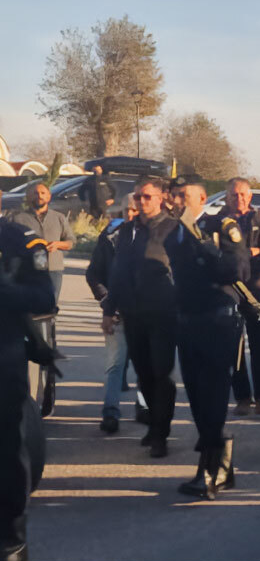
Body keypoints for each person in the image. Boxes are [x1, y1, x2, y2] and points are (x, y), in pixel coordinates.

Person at [164, 176, 249, 499]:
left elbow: (238, 271)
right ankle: (223, 462)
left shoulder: (222, 226)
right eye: (174, 196)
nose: (177, 201)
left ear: (201, 198)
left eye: (184, 195)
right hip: (187, 322)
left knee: (213, 398)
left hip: (217, 323)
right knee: (197, 398)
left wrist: (207, 250)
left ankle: (210, 471)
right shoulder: (175, 231)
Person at [101, 177, 179, 458]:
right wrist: (109, 311)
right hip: (134, 314)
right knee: (144, 375)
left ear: (160, 198)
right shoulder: (127, 231)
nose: (141, 202)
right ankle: (153, 426)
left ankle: (161, 433)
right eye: (137, 197)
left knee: (161, 374)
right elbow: (118, 273)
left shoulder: (173, 229)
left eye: (146, 197)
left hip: (163, 314)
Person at [0, 193, 55, 561]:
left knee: (6, 453)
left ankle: (12, 541)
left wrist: (5, 292)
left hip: (3, 359)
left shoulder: (19, 239)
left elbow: (43, 297)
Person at [215, 178, 260, 417]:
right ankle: (242, 397)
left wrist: (254, 253)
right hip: (228, 292)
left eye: (242, 195)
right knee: (233, 347)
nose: (238, 199)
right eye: (233, 195)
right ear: (226, 197)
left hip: (259, 292)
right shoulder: (217, 222)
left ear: (250, 197)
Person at [85, 193, 137, 433]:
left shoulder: (160, 237)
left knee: (148, 367)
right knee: (115, 365)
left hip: (148, 313)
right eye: (128, 210)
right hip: (117, 311)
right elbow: (93, 273)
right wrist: (106, 300)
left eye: (136, 210)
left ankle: (145, 409)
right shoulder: (109, 238)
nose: (132, 214)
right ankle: (111, 412)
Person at [9, 183, 74, 298]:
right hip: (27, 270)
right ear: (28, 197)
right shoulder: (18, 218)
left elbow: (71, 242)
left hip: (53, 269)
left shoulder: (59, 218)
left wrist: (58, 244)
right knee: (28, 306)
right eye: (35, 193)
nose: (39, 196)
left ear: (49, 196)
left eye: (43, 193)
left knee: (51, 306)